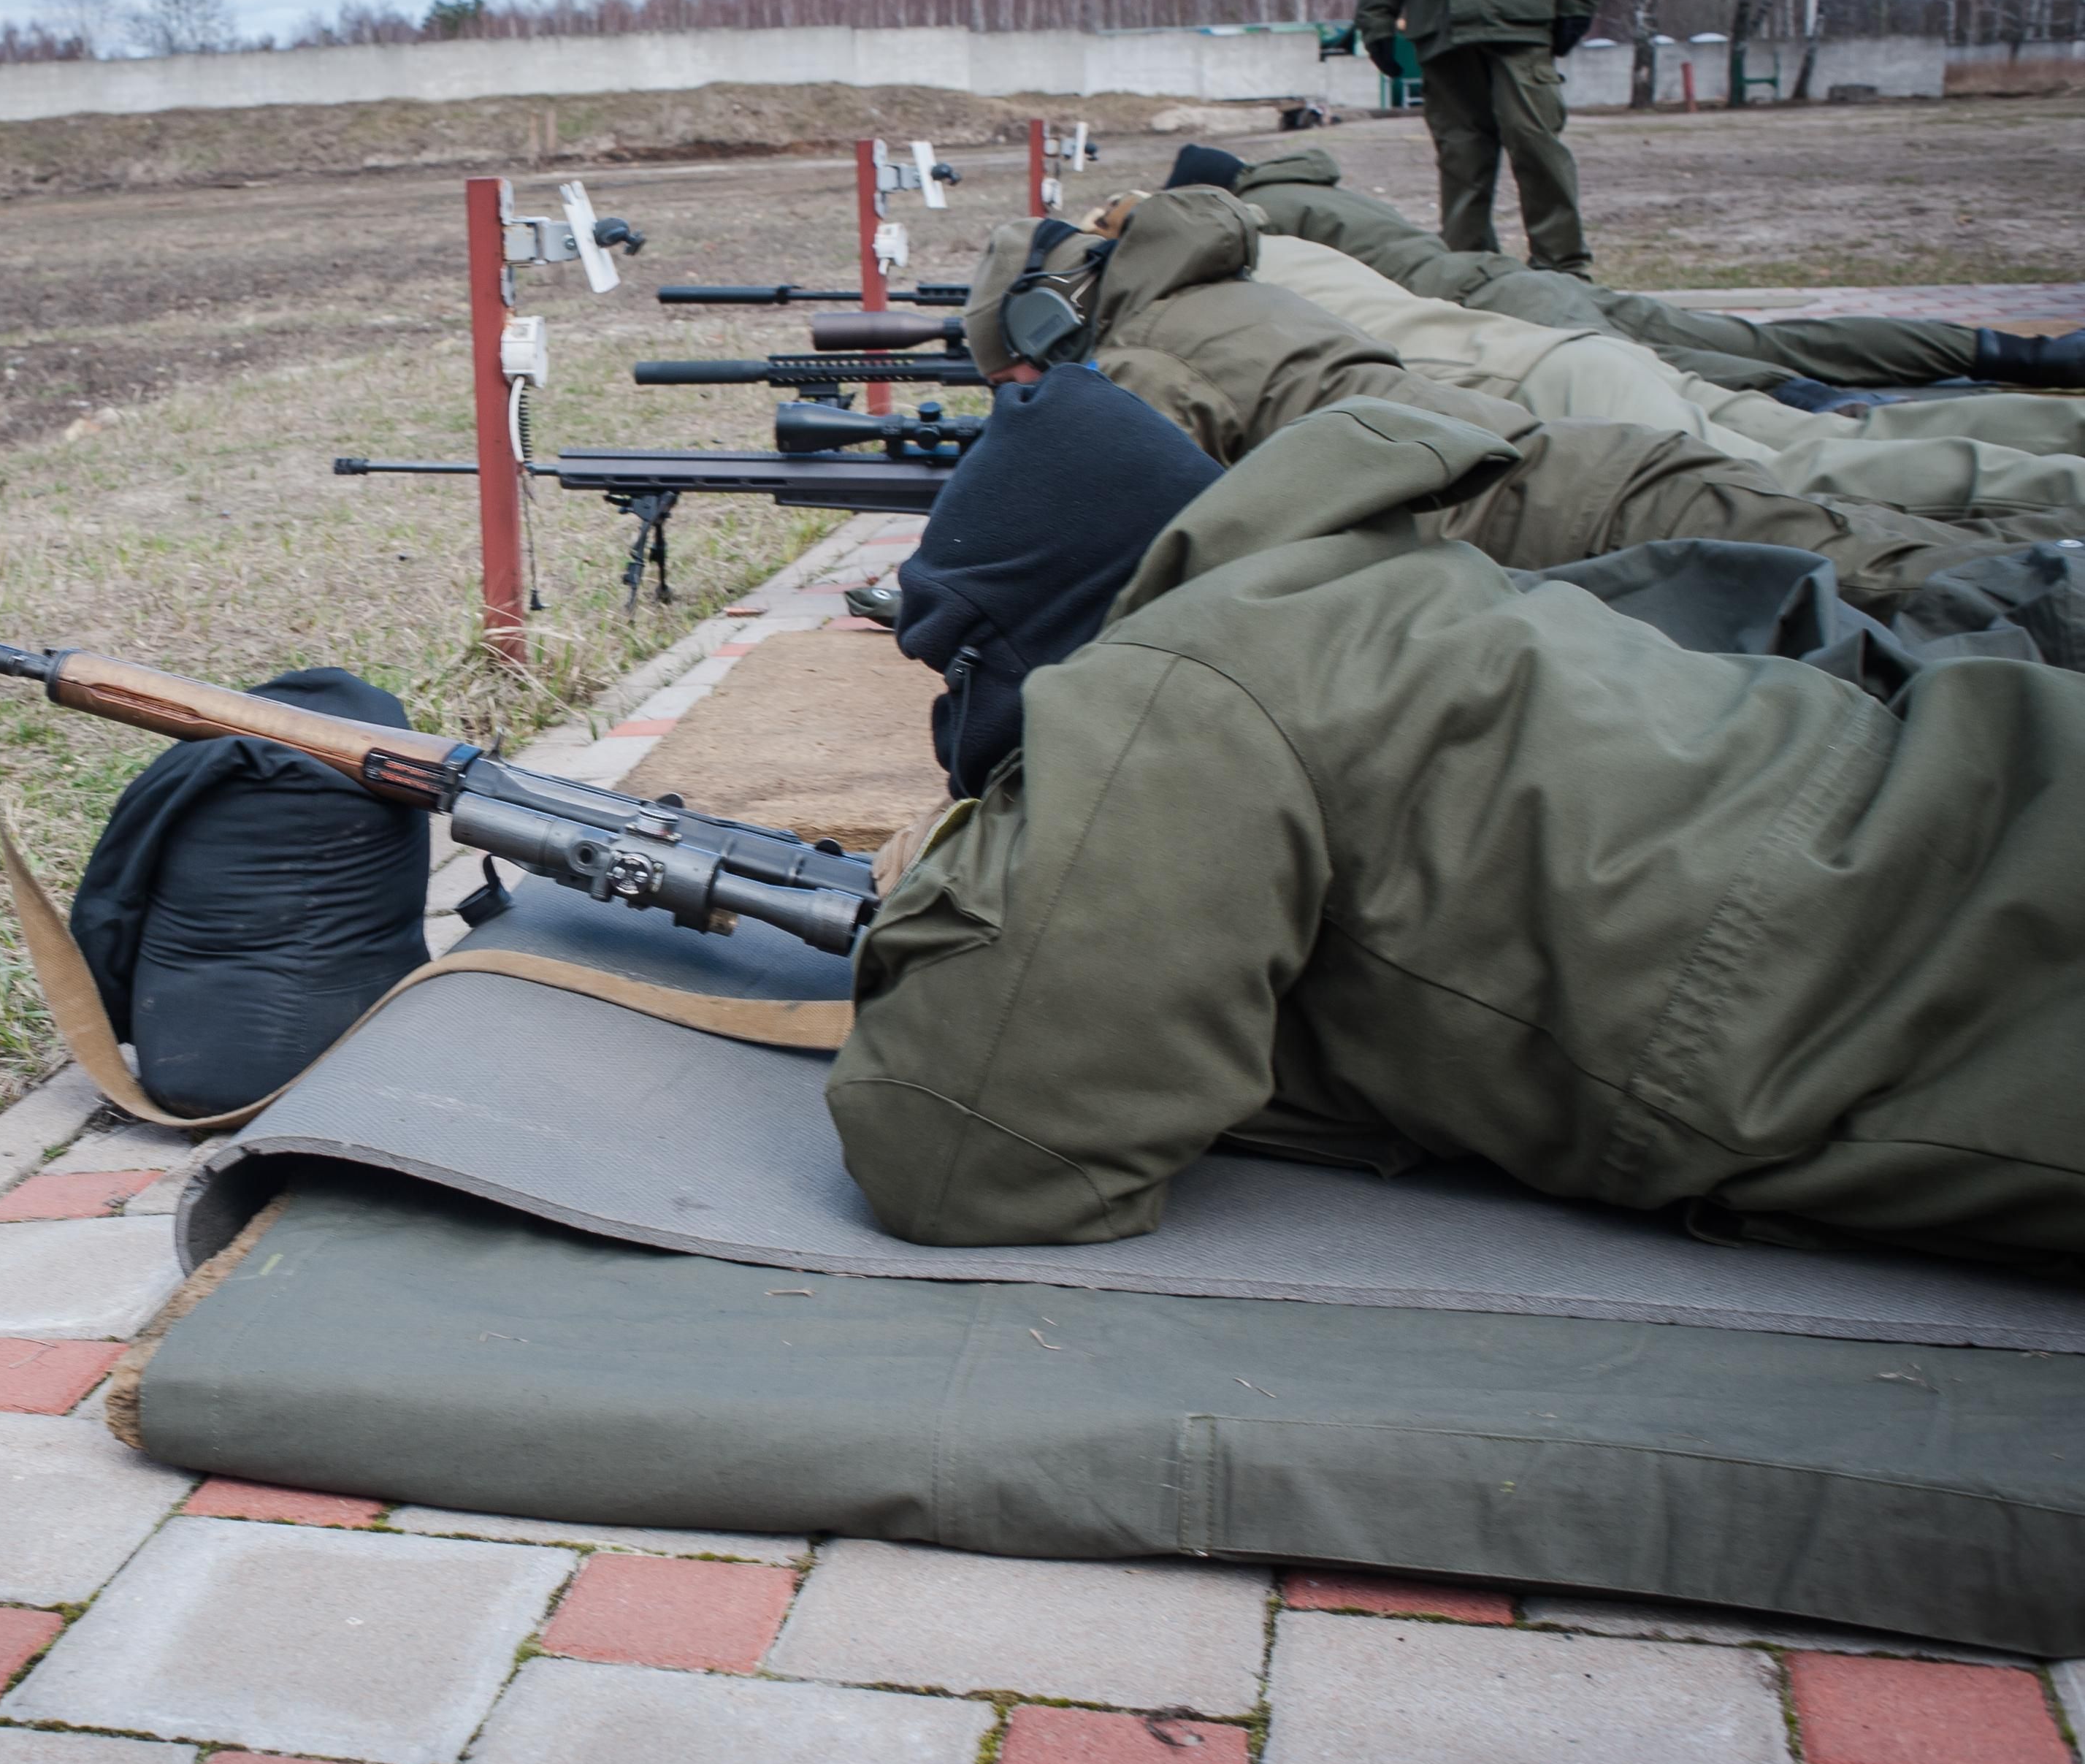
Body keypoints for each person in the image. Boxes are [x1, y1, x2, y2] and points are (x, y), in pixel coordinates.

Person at [830, 373, 2085, 1274]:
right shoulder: (1384, 580)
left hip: (1959, 977)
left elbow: (969, 1153)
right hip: (1990, 788)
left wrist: (977, 872)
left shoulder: (1185, 672)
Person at [960, 197, 2046, 618]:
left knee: (1924, 588)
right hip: (1577, 459)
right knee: (1900, 527)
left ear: (1055, 328)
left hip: (1563, 509)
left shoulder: (1152, 361)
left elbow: (1148, 567)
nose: (1029, 402)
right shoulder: (1218, 294)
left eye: (1017, 379)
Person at [1242, 226, 2085, 530]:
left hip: (1550, 385)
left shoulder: (1206, 299)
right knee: (1835, 441)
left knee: (1809, 482)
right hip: (1559, 345)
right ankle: (2061, 453)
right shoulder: (1282, 244)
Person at [1176, 144, 2085, 405]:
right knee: (1768, 344)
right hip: (1526, 283)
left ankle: (1954, 411)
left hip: (1514, 320)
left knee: (1761, 402)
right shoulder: (1320, 187)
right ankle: (2016, 353)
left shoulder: (1267, 218)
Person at [1355, 0, 1606, 274]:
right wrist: (1376, 20)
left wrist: (1576, 0)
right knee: (1461, 154)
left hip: (1518, 10)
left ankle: (1563, 267)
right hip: (1439, 18)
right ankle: (1469, 273)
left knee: (1533, 139)